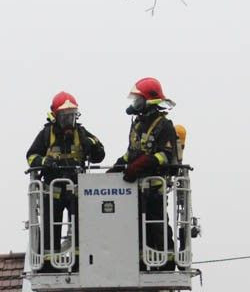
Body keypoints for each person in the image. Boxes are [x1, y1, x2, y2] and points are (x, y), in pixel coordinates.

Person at [26, 92, 105, 265]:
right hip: (52, 192)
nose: (69, 121)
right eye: (65, 117)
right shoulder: (46, 134)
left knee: (80, 228)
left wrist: (91, 145)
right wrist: (45, 161)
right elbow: (31, 156)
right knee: (50, 229)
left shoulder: (82, 133)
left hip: (76, 192)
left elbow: (100, 155)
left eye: (71, 116)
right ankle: (49, 263)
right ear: (56, 117)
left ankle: (79, 262)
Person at [109, 77, 179, 255]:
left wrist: (138, 166)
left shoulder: (164, 125)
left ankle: (167, 261)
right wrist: (117, 167)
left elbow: (165, 155)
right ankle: (142, 260)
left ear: (150, 101)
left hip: (154, 187)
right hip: (135, 190)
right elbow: (131, 153)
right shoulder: (138, 125)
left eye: (138, 100)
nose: (135, 104)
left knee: (158, 225)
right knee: (138, 229)